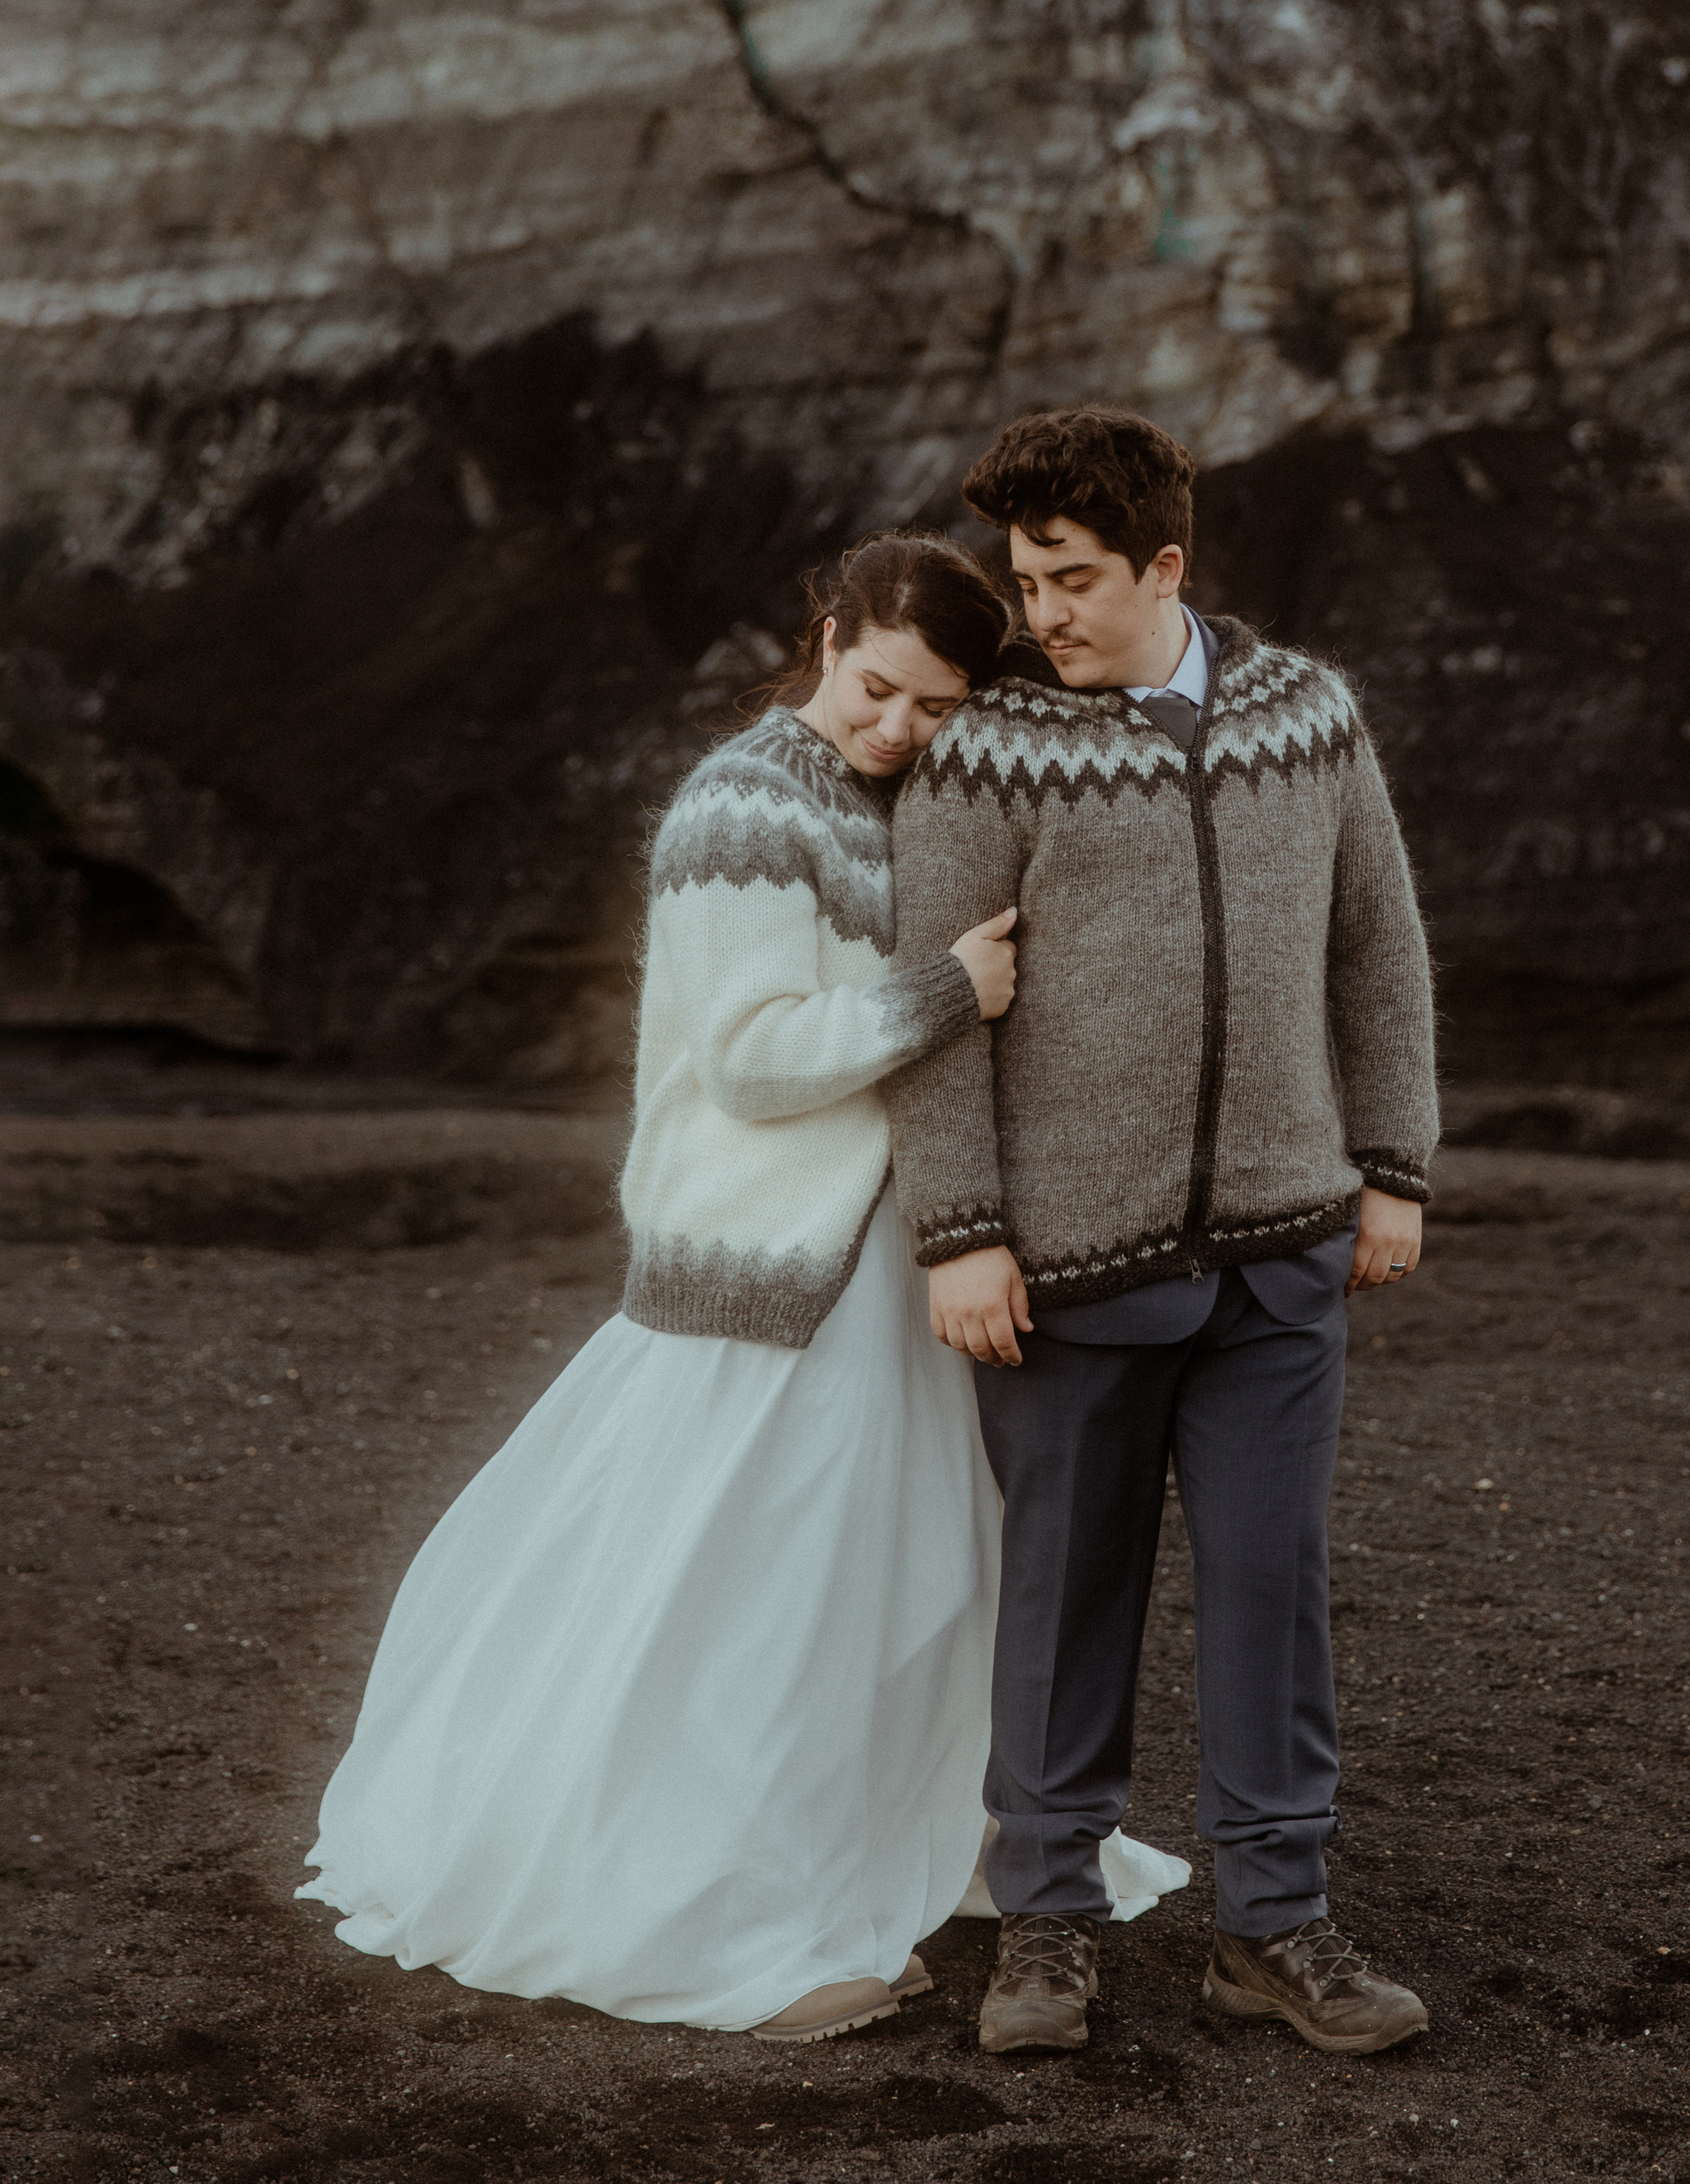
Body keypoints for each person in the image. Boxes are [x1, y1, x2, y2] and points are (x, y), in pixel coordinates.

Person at [299, 528, 1186, 2043]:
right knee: (757, 1601)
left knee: (897, 1590)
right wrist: (943, 991)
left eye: (935, 707)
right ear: (829, 638)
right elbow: (752, 1059)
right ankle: (714, 1901)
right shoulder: (741, 807)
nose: (897, 726)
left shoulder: (890, 794)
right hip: (770, 1271)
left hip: (880, 1265)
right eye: (879, 684)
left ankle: (890, 1841)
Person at [887, 410, 1439, 2059]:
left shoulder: (1308, 717)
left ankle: (1272, 1928)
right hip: (1066, 1267)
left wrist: (1390, 1167)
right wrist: (962, 1231)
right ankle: (1045, 1923)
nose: (1036, 613)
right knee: (1065, 1596)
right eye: (1020, 578)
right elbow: (936, 1009)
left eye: (1069, 580)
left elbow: (1374, 951)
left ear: (1164, 569)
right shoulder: (986, 749)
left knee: (1273, 1588)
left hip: (1281, 1249)